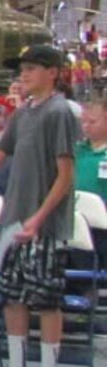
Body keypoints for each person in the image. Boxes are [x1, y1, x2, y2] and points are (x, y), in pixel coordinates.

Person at [0, 46, 81, 367]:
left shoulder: (59, 112)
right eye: (22, 69)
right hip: (15, 219)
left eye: (32, 69)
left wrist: (39, 218)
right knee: (14, 296)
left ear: (53, 72)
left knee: (45, 300)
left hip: (44, 224)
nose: (24, 75)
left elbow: (66, 176)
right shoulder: (22, 114)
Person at [74, 97, 107, 262]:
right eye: (83, 121)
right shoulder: (76, 151)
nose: (86, 126)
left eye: (92, 122)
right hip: (77, 223)